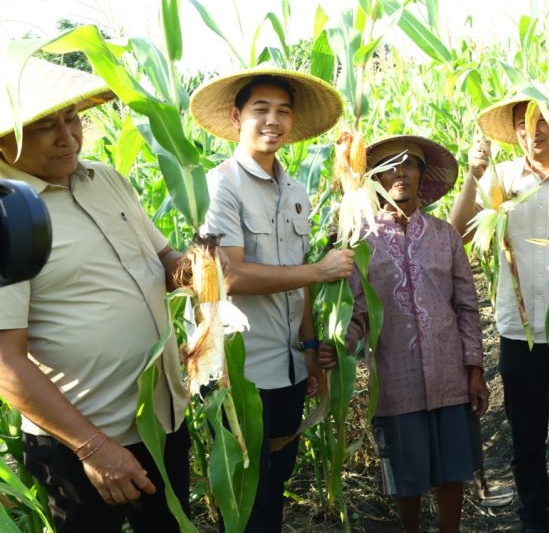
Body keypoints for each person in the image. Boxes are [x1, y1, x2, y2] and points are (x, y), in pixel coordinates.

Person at [0, 57, 190, 531]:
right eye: (45, 126)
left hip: (163, 422)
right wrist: (93, 447)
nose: (67, 136)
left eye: (72, 118)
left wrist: (199, 269)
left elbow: (164, 264)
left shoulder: (106, 178)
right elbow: (6, 363)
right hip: (81, 445)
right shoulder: (9, 217)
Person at [190, 66, 350, 532]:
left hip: (290, 368)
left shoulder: (296, 190)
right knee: (245, 492)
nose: (272, 120)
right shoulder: (220, 186)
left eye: (283, 111)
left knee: (276, 480)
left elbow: (296, 284)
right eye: (261, 109)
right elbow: (230, 274)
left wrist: (309, 352)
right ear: (237, 115)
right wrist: (319, 270)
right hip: (242, 370)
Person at [449, 95, 549, 532]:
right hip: (519, 333)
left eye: (543, 122)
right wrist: (472, 177)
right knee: (526, 439)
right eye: (524, 124)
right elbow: (457, 234)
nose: (533, 131)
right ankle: (533, 519)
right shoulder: (500, 177)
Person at [321, 135, 487, 533]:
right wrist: (338, 343)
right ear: (374, 178)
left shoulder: (444, 235)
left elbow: (466, 305)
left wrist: (475, 368)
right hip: (395, 377)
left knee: (453, 470)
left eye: (410, 163)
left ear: (421, 175)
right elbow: (357, 310)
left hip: (449, 374)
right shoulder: (358, 240)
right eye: (390, 165)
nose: (400, 171)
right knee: (405, 472)